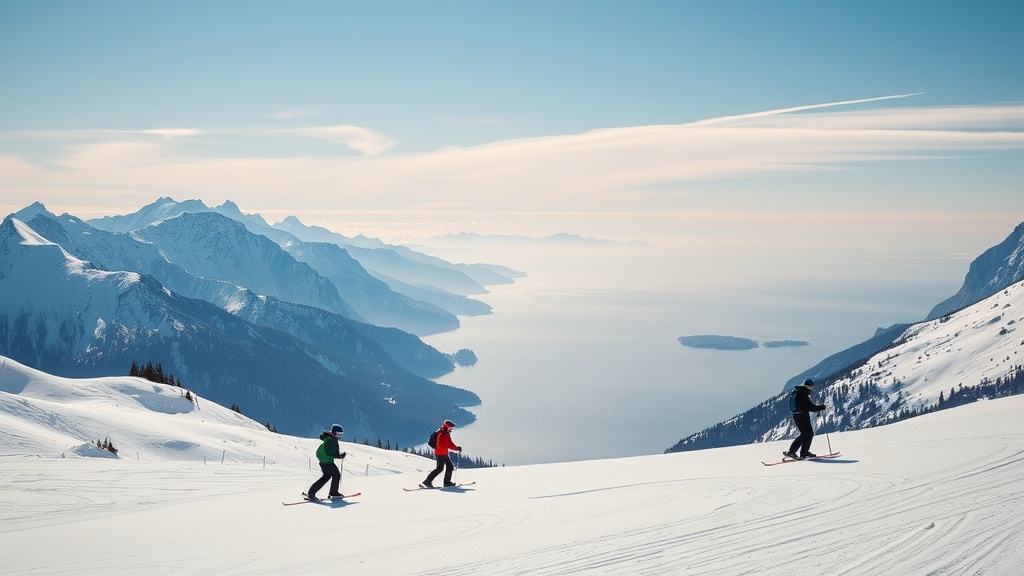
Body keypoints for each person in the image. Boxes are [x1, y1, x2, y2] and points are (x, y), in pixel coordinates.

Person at [784, 379, 826, 460]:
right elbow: (810, 407)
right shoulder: (803, 395)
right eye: (809, 386)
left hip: (797, 415)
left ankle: (803, 453)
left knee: (807, 433)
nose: (809, 388)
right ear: (805, 386)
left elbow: (808, 406)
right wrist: (821, 407)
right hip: (802, 416)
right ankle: (793, 452)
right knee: (806, 433)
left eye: (810, 387)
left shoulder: (798, 393)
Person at [307, 424, 347, 500]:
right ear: (335, 433)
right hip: (327, 462)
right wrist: (340, 456)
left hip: (323, 461)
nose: (340, 436)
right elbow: (331, 452)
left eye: (341, 434)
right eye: (339, 434)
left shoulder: (329, 438)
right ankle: (333, 493)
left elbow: (330, 452)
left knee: (326, 477)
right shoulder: (332, 441)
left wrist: (338, 455)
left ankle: (311, 492)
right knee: (336, 475)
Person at [421, 420, 462, 488]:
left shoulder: (441, 431)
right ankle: (427, 482)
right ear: (448, 426)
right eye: (450, 427)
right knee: (441, 468)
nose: (451, 428)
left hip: (441, 453)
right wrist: (457, 448)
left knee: (447, 467)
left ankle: (446, 482)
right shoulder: (444, 434)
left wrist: (456, 448)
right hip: (441, 453)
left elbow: (447, 444)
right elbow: (448, 444)